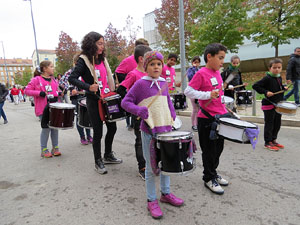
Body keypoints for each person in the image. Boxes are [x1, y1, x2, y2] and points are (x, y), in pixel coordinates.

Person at [121, 51, 184, 219]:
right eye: (152, 64)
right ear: (145, 66)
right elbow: (125, 102)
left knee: (166, 165)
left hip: (165, 130)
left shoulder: (163, 82)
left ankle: (166, 193)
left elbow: (168, 101)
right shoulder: (141, 84)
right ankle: (151, 200)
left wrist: (173, 115)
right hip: (149, 130)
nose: (156, 67)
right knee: (150, 169)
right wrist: (138, 110)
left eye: (159, 64)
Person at [69, 31, 122, 175]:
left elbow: (106, 77)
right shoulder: (84, 59)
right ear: (91, 44)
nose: (102, 46)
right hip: (94, 100)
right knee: (98, 132)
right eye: (99, 43)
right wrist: (88, 87)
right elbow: (72, 78)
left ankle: (108, 155)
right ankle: (98, 161)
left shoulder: (102, 59)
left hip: (107, 98)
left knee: (112, 128)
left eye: (103, 43)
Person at [184, 43, 229, 195]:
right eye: (220, 58)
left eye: (224, 58)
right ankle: (208, 178)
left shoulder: (217, 73)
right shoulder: (201, 73)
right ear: (209, 57)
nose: (223, 61)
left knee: (219, 148)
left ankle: (213, 172)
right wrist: (207, 95)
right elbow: (188, 91)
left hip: (220, 117)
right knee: (209, 151)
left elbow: (219, 95)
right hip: (207, 119)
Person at [117, 44, 152, 180]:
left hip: (152, 113)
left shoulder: (150, 73)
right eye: (149, 58)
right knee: (140, 140)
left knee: (152, 139)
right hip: (138, 114)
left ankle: (152, 163)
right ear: (141, 59)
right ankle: (142, 167)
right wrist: (134, 105)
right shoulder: (133, 74)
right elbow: (121, 89)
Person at [25, 61, 61, 158]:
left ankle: (55, 148)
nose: (53, 68)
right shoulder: (36, 79)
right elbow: (27, 91)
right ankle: (44, 149)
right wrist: (39, 93)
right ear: (45, 69)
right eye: (51, 66)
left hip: (54, 108)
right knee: (46, 129)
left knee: (55, 128)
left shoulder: (53, 80)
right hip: (42, 109)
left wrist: (58, 95)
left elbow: (56, 91)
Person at [252, 58, 287, 151]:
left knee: (277, 123)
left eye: (279, 67)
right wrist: (266, 92)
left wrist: (283, 88)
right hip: (268, 104)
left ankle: (273, 139)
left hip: (278, 104)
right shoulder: (267, 78)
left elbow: (278, 88)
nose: (277, 69)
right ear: (269, 68)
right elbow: (255, 86)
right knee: (269, 124)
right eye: (274, 67)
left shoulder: (278, 77)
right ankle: (267, 142)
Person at [115, 38, 149, 130]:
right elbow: (118, 73)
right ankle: (129, 122)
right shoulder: (129, 62)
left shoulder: (148, 71)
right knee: (139, 138)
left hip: (148, 108)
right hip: (137, 107)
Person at [60, 54, 93, 145]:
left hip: (85, 96)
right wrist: (70, 89)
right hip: (76, 98)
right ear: (75, 63)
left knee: (88, 117)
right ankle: (82, 137)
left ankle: (89, 136)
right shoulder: (70, 71)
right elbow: (62, 81)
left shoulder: (87, 70)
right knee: (80, 117)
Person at [186, 56, 201, 131]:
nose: (196, 64)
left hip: (199, 91)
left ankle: (198, 123)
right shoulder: (190, 70)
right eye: (195, 62)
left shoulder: (200, 70)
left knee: (199, 109)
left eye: (198, 62)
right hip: (193, 90)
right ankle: (193, 124)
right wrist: (194, 69)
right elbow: (190, 77)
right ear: (192, 63)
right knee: (195, 108)